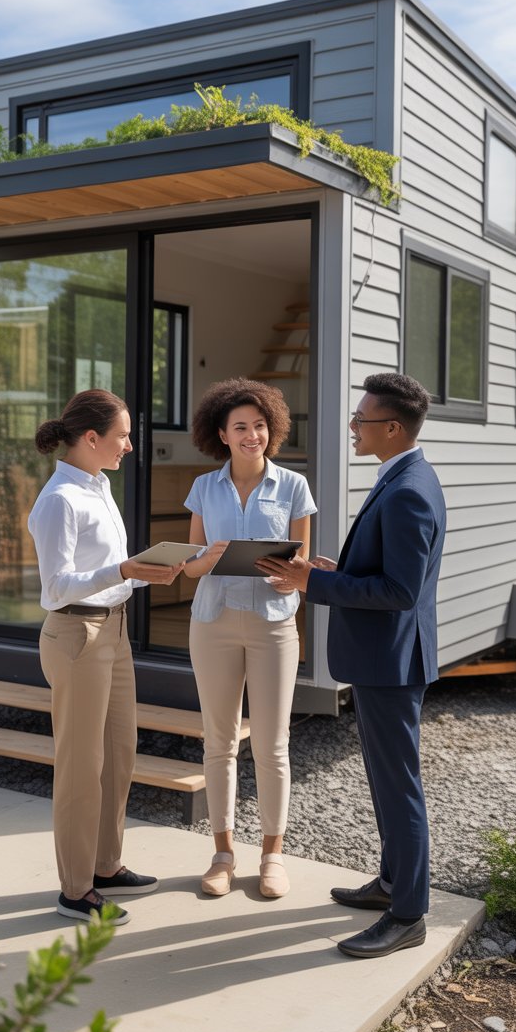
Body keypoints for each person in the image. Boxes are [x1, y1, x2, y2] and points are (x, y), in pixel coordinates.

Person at [258, 373, 446, 957]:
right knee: (386, 783)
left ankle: (409, 914)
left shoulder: (410, 488)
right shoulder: (401, 477)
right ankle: (391, 884)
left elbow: (400, 592)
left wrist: (315, 582)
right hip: (380, 660)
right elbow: (387, 573)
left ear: (392, 428)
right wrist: (337, 571)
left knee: (399, 789)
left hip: (391, 663)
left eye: (361, 420)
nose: (352, 428)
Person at [28, 389, 184, 926]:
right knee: (80, 765)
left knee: (120, 752)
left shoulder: (98, 486)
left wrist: (140, 570)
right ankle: (75, 889)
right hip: (77, 637)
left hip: (114, 633)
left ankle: (105, 866)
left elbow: (111, 567)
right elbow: (55, 589)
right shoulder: (58, 501)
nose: (130, 445)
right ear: (91, 438)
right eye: (122, 436)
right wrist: (122, 572)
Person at [181, 378, 316, 898]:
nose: (252, 435)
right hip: (212, 623)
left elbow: (302, 566)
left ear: (272, 430)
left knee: (272, 745)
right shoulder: (203, 488)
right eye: (241, 426)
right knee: (218, 743)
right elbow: (190, 569)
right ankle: (222, 855)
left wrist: (289, 571)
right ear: (222, 433)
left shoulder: (294, 487)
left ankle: (273, 855)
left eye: (260, 426)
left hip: (273, 626)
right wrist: (209, 558)